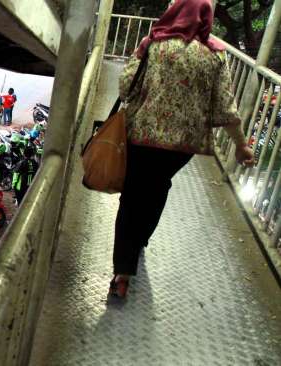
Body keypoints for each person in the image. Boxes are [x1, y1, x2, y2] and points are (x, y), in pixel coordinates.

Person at [109, 0, 255, 298]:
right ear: (205, 18)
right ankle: (140, 241)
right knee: (158, 186)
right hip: (182, 147)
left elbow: (126, 87)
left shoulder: (153, 43)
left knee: (133, 194)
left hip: (142, 137)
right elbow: (225, 110)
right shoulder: (215, 55)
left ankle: (122, 272)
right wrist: (241, 146)